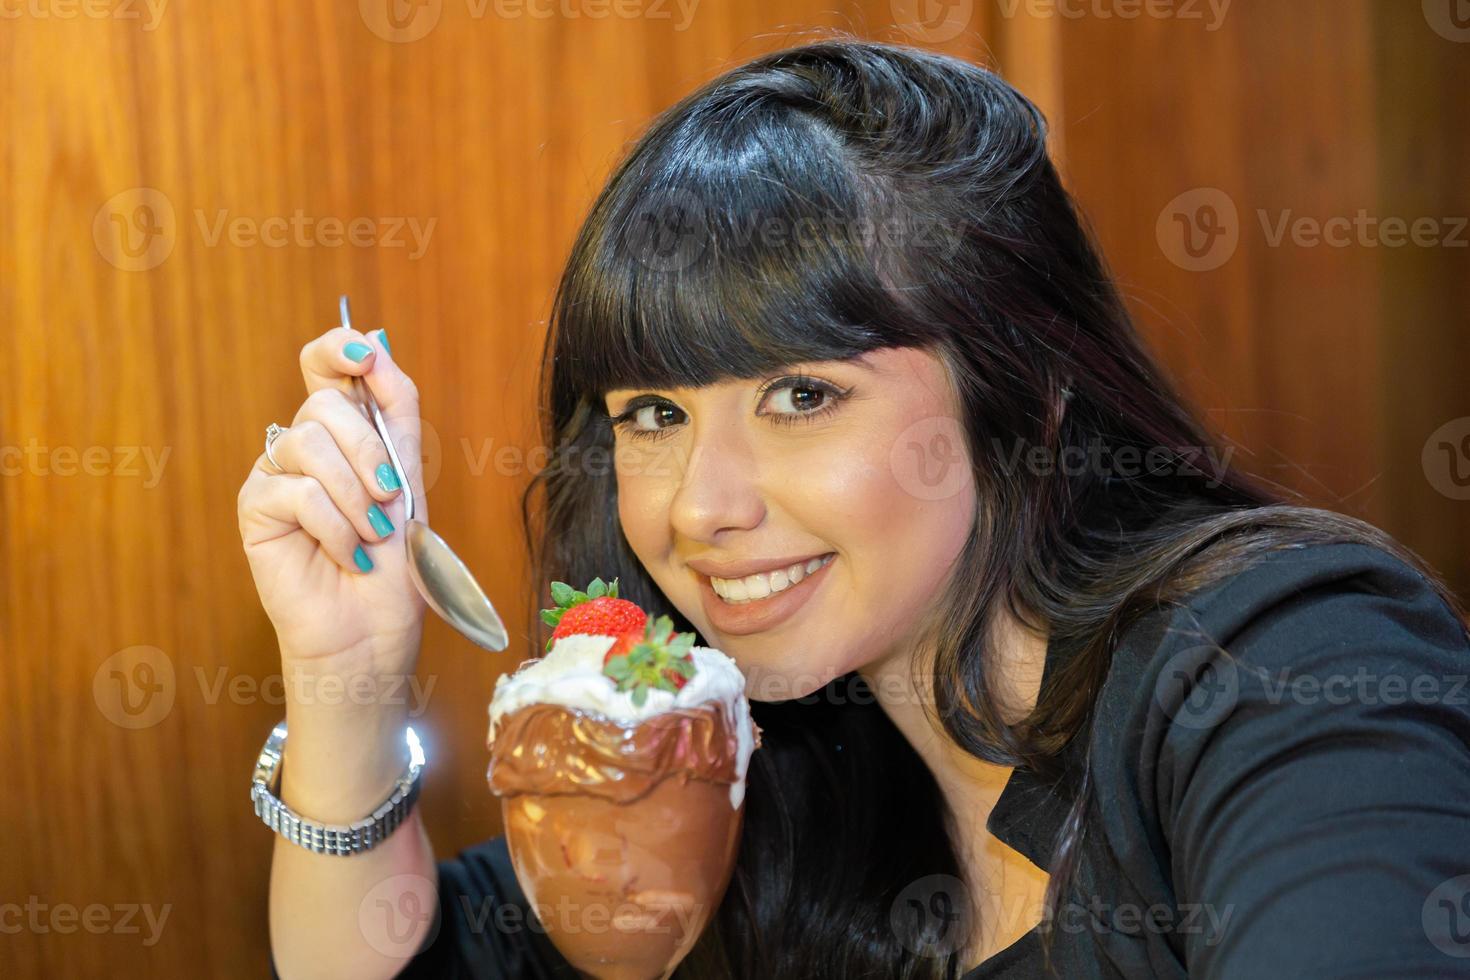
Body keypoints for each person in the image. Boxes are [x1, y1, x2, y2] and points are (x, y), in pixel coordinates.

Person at [237, 38, 1470, 980]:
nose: (702, 508)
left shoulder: (1281, 659)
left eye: (800, 394)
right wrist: (346, 674)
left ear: (1024, 397)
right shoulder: (759, 760)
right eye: (653, 414)